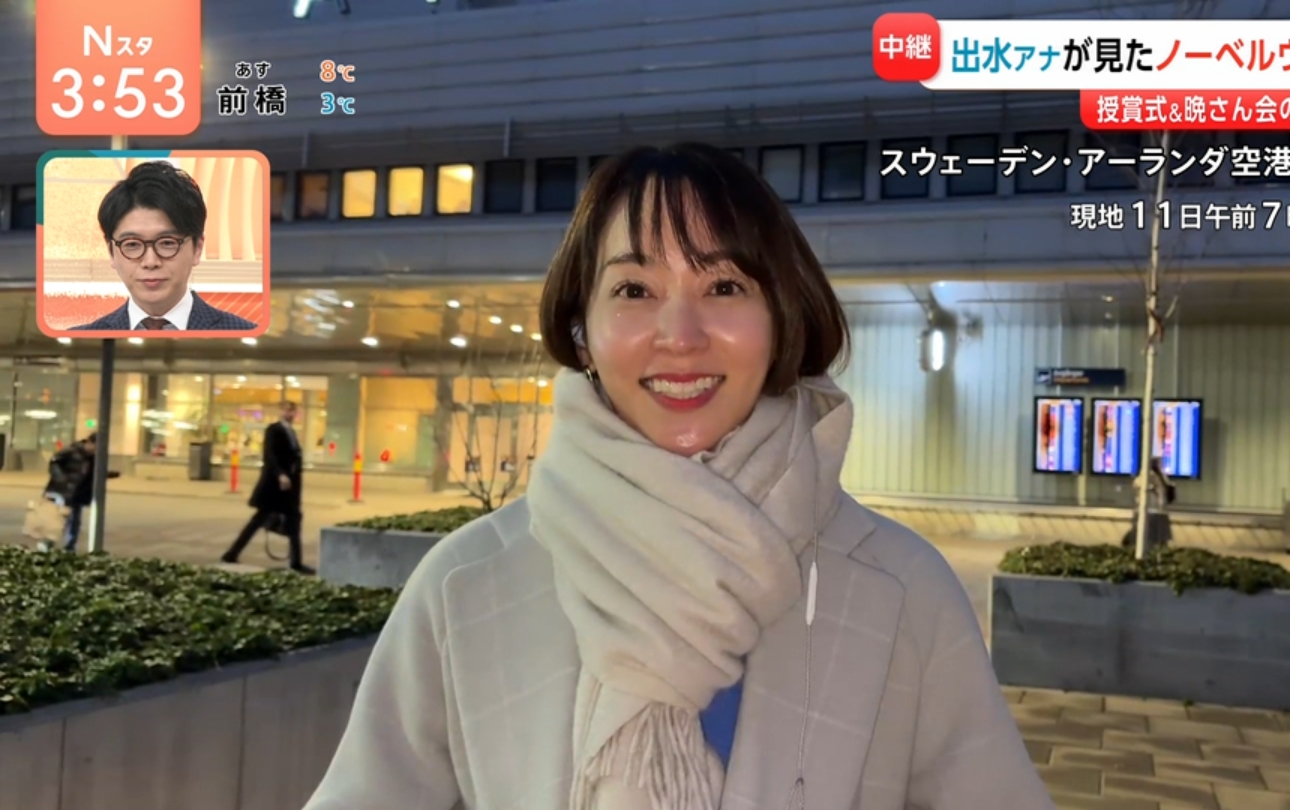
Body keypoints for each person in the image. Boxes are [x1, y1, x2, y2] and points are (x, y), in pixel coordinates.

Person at [305, 144, 1052, 810]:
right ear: (582, 332)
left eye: (724, 287)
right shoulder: (465, 585)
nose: (680, 336)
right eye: (634, 291)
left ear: (782, 319)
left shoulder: (905, 589)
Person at [70, 160, 257, 332]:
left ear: (197, 248)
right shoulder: (83, 337)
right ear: (111, 251)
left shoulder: (243, 332)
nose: (150, 262)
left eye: (167, 243)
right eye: (132, 244)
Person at [222, 401, 314, 574]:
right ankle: (231, 553)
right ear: (280, 411)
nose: (290, 414)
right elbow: (270, 456)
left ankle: (296, 562)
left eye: (293, 411)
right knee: (257, 521)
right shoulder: (274, 430)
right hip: (274, 487)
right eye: (287, 411)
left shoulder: (292, 432)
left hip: (289, 489)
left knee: (294, 522)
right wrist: (280, 474)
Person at [40, 433, 118, 552]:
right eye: (95, 447)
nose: (95, 450)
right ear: (89, 443)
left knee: (74, 521)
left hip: (78, 493)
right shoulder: (71, 451)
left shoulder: (93, 458)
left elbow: (93, 473)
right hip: (63, 491)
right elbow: (54, 462)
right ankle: (48, 543)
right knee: (58, 519)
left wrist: (108, 474)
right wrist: (61, 478)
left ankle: (70, 546)